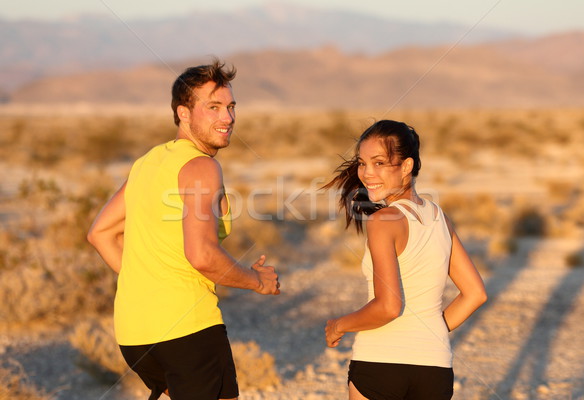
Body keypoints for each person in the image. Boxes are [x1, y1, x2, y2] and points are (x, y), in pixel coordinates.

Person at [87, 59, 280, 400]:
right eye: (214, 107)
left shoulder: (147, 163)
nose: (228, 118)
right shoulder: (201, 167)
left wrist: (149, 283)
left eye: (231, 107)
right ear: (184, 113)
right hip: (188, 329)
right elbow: (202, 254)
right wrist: (257, 282)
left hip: (134, 333)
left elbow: (100, 233)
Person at [323, 120, 487, 399]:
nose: (366, 173)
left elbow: (388, 307)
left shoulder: (382, 221)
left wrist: (338, 325)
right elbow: (475, 294)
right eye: (362, 163)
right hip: (435, 368)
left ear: (407, 166)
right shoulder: (439, 217)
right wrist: (429, 331)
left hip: (380, 363)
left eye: (379, 163)